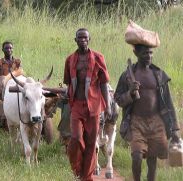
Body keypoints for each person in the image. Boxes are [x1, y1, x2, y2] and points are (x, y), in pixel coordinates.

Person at [114, 44, 181, 181]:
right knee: (137, 156)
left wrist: (175, 129)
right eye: (145, 53)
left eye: (151, 53)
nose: (149, 56)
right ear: (135, 53)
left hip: (157, 122)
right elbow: (118, 99)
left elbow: (168, 102)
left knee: (152, 160)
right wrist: (130, 93)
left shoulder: (158, 75)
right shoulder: (127, 76)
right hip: (136, 122)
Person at [63, 28, 111, 181]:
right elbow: (68, 83)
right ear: (75, 40)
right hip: (76, 105)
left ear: (89, 39)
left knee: (91, 142)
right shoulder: (70, 59)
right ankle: (78, 168)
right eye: (79, 38)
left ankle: (86, 177)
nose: (82, 40)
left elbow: (104, 84)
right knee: (76, 138)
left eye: (85, 38)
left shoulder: (98, 58)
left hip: (94, 106)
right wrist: (66, 94)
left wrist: (108, 106)